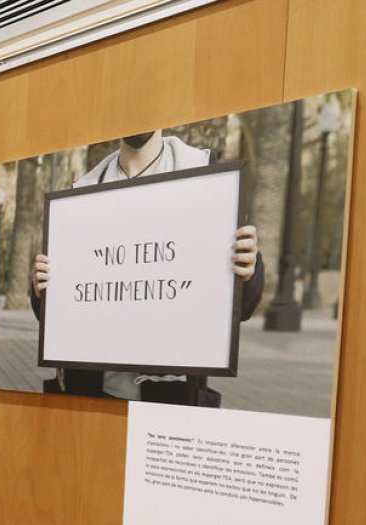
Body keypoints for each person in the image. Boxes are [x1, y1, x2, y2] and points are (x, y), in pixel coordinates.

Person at [30, 129, 264, 406]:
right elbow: (58, 315)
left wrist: (248, 271)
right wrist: (41, 288)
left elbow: (241, 308)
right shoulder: (82, 192)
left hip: (169, 403)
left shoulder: (205, 175)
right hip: (92, 394)